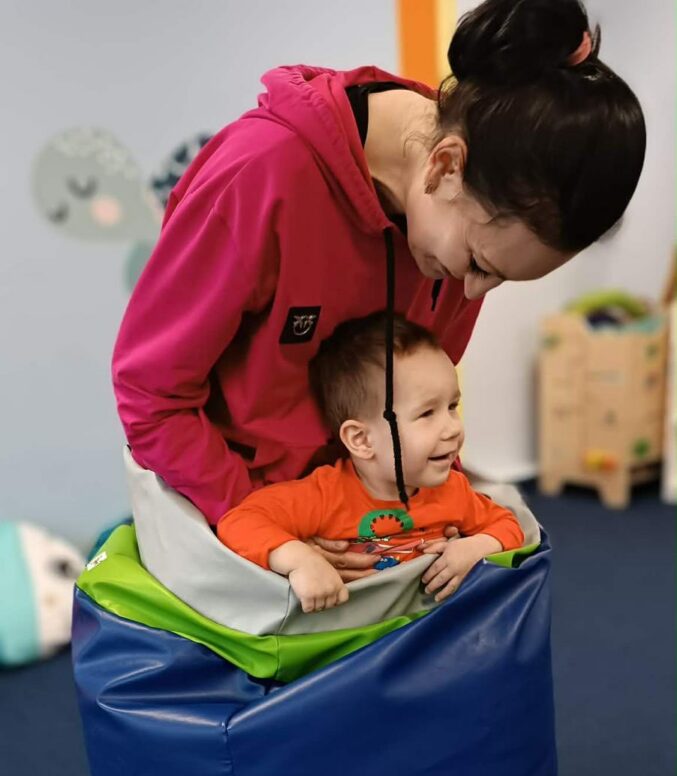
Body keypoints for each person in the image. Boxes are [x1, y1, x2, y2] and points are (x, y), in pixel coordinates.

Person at [112, 0, 645, 578]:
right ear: (445, 166)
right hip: (246, 538)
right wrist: (264, 530)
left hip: (372, 536)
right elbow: (152, 394)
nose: (472, 294)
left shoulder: (467, 203)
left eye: (497, 279)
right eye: (478, 263)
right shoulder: (259, 175)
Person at [217, 313, 524, 612]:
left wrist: (476, 547)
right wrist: (300, 560)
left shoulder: (453, 491)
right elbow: (239, 522)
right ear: (362, 440)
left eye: (452, 406)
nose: (453, 428)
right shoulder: (325, 496)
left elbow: (507, 524)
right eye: (427, 413)